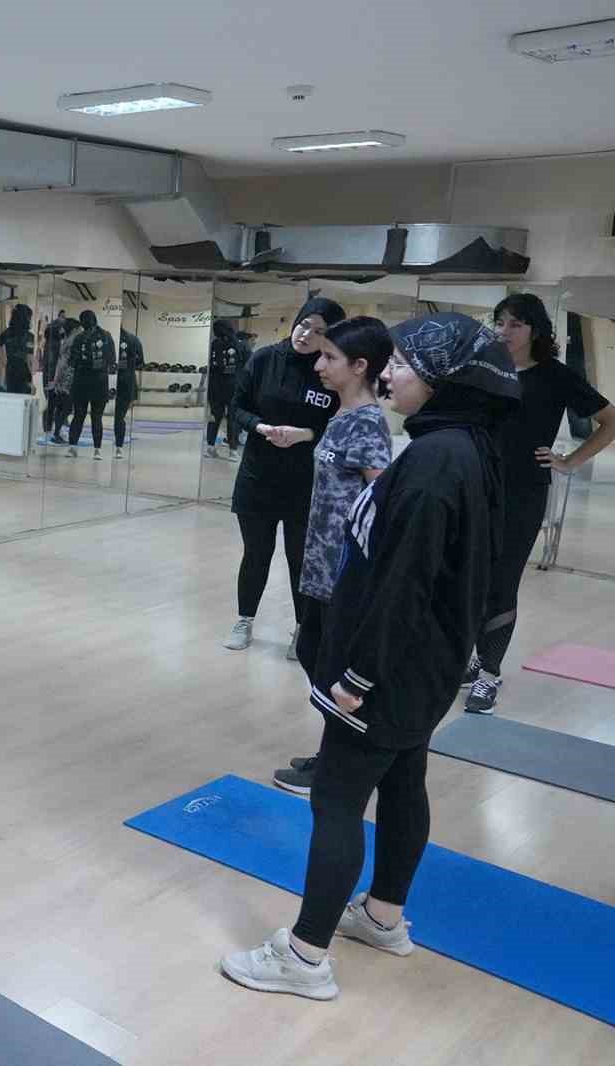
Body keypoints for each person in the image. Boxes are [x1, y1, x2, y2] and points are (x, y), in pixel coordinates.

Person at [221, 313, 520, 1002]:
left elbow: (403, 581)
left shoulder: (434, 461)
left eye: (405, 367)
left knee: (335, 797)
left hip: (390, 668)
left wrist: (358, 674)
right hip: (429, 665)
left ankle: (304, 956)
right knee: (403, 780)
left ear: (442, 380)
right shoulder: (466, 446)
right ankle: (383, 916)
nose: (388, 374)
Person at [463, 294, 614, 713]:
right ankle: (472, 661)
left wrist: (569, 461)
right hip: (476, 486)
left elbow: (611, 420)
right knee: (468, 577)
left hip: (523, 491)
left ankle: (489, 673)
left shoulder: (555, 376)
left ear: (535, 330)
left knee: (502, 582)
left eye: (514, 324)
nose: (504, 332)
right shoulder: (484, 370)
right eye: (499, 323)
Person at [272, 317, 394, 796]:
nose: (319, 365)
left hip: (344, 572)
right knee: (313, 652)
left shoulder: (366, 423)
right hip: (320, 567)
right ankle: (335, 751)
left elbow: (380, 501)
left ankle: (337, 764)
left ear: (360, 366)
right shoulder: (341, 416)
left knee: (330, 666)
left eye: (330, 358)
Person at [223, 297, 346, 656]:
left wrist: (305, 434)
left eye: (320, 331)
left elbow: (337, 424)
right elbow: (238, 407)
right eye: (304, 324)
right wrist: (260, 426)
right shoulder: (264, 359)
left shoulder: (329, 373)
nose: (306, 334)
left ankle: (302, 629)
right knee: (256, 553)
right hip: (257, 477)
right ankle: (244, 620)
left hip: (304, 484)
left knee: (300, 560)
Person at [63, 310, 115, 460]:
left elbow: (71, 361)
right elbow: (112, 360)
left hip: (85, 382)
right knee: (94, 417)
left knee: (81, 416)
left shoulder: (81, 338)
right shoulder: (106, 336)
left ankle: (75, 448)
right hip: (96, 381)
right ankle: (95, 450)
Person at [206, 320, 248, 460]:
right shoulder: (240, 345)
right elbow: (249, 367)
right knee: (232, 419)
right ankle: (233, 450)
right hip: (233, 387)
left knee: (215, 417)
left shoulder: (214, 344)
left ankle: (210, 447)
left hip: (215, 387)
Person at [39, 309, 75, 443]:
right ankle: (51, 431)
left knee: (56, 405)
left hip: (54, 379)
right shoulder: (54, 346)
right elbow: (55, 364)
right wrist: (54, 381)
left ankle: (52, 430)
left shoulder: (54, 345)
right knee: (56, 405)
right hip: (53, 379)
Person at [0, 304, 35, 397]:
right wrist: (32, 382)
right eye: (29, 317)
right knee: (22, 401)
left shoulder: (8, 332)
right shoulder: (29, 336)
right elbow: (29, 360)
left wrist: (1, 362)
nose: (30, 320)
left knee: (12, 399)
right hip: (22, 372)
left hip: (11, 370)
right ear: (25, 318)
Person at [114, 328, 144, 460]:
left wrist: (121, 365)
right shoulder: (133, 339)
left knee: (117, 417)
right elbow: (141, 362)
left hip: (119, 380)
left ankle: (117, 447)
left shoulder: (130, 339)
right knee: (119, 417)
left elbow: (140, 361)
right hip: (125, 380)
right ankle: (118, 448)